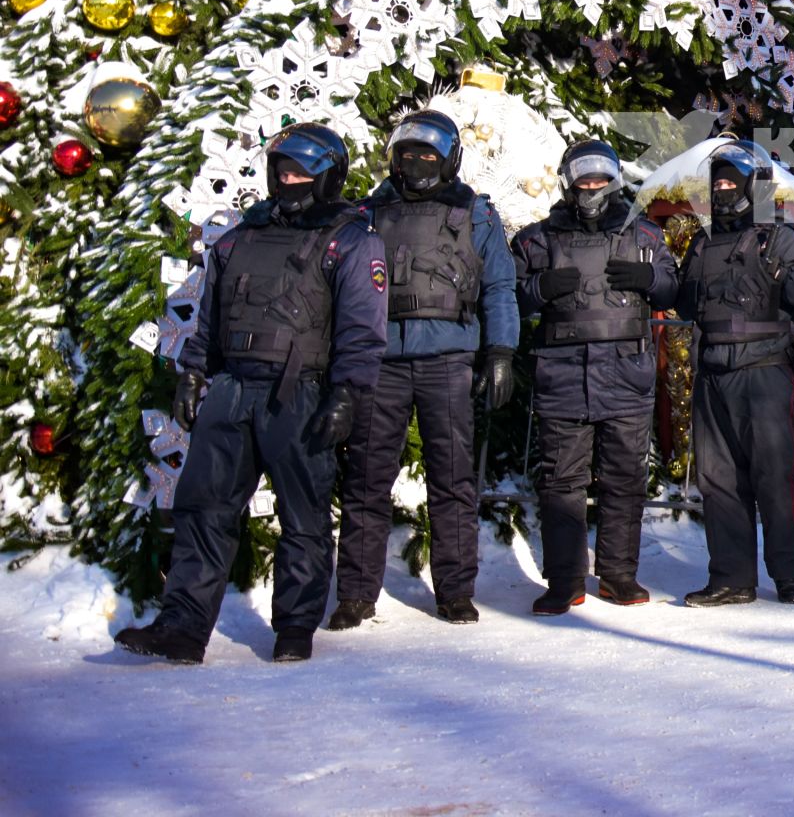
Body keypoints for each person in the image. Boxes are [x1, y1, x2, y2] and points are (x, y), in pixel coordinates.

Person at [115, 124, 388, 664]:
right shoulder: (240, 235)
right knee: (203, 508)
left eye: (303, 172)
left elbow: (363, 328)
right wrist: (193, 373)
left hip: (300, 393)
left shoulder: (353, 239)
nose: (290, 181)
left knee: (303, 516)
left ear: (330, 176)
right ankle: (183, 628)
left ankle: (293, 629)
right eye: (282, 170)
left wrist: (348, 393)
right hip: (232, 389)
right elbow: (210, 316)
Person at [328, 111, 519, 630]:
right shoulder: (367, 213)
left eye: (428, 155)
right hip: (381, 361)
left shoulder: (476, 215)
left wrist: (501, 352)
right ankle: (355, 594)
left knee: (453, 481)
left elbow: (500, 287)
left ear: (450, 159)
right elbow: (339, 286)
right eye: (407, 154)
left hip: (448, 359)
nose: (416, 164)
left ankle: (455, 592)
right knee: (367, 480)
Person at [511, 139, 679, 615]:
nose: (591, 188)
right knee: (561, 483)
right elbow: (509, 295)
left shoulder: (644, 235)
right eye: (583, 179)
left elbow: (675, 286)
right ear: (568, 181)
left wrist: (649, 281)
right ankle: (564, 580)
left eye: (599, 178)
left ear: (614, 180)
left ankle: (619, 575)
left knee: (624, 479)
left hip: (626, 375)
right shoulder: (536, 239)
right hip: (562, 377)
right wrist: (539, 288)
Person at [675, 143, 794, 605]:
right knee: (718, 479)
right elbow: (686, 301)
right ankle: (732, 578)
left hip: (764, 373)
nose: (724, 188)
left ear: (755, 185)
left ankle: (788, 575)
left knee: (773, 477)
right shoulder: (703, 240)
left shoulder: (781, 237)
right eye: (718, 181)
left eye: (733, 179)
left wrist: (786, 277)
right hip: (713, 374)